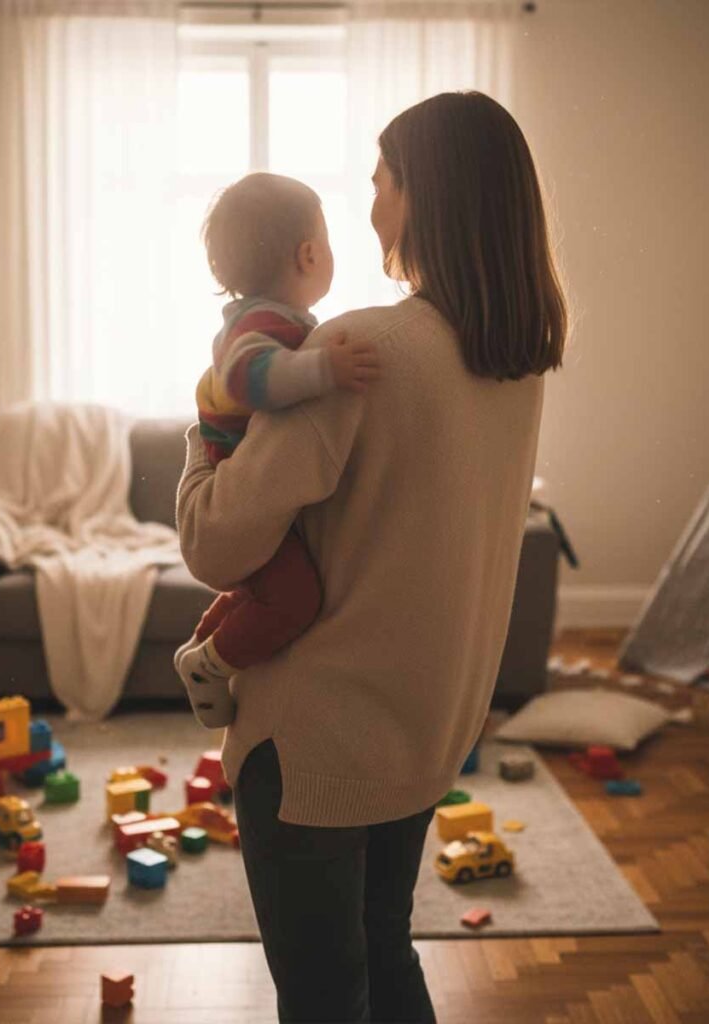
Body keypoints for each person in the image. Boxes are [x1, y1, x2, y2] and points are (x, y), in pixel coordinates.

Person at [176, 90, 568, 1023]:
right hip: (425, 728)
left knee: (321, 994)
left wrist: (202, 430)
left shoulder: (365, 350)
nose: (369, 202)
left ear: (425, 195)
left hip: (319, 739)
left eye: (382, 179)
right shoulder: (515, 363)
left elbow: (214, 540)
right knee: (383, 955)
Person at [173, 172, 381, 728]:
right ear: (310, 255)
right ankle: (210, 666)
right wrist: (324, 369)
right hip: (235, 482)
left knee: (273, 585)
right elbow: (247, 377)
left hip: (253, 487)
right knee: (294, 600)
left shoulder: (266, 318)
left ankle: (207, 641)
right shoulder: (261, 323)